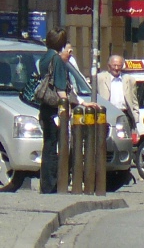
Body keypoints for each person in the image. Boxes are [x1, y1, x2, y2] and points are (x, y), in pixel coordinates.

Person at [37, 27, 91, 194]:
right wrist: (66, 108)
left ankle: (46, 183)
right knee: (55, 145)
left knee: (48, 145)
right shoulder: (58, 60)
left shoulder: (44, 59)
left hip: (45, 107)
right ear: (61, 43)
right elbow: (61, 89)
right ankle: (53, 184)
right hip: (55, 108)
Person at [97, 54, 140, 131]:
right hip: (106, 114)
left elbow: (134, 101)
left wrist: (135, 118)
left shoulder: (129, 80)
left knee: (124, 139)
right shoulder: (100, 78)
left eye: (119, 66)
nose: (116, 68)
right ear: (109, 66)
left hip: (124, 114)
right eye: (114, 65)